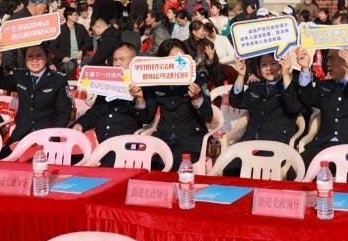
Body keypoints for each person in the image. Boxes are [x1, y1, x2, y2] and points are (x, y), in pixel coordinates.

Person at [295, 46, 348, 166]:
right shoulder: (325, 85)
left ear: (345, 59)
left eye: (331, 59)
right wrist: (305, 68)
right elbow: (306, 97)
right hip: (324, 147)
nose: (327, 64)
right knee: (295, 169)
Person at [132, 40, 213, 170]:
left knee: (173, 163)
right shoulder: (155, 81)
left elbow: (208, 115)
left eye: (181, 59)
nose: (177, 64)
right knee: (145, 164)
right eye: (171, 61)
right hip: (163, 138)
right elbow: (146, 118)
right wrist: (140, 98)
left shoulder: (197, 79)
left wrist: (197, 98)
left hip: (190, 140)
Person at [0, 44, 73, 144]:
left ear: (46, 57)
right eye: (30, 56)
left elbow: (64, 113)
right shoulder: (20, 76)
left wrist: (53, 134)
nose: (34, 60)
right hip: (21, 135)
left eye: (39, 55)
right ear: (25, 59)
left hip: (48, 137)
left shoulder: (58, 79)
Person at [73, 43, 148, 143]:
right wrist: (81, 124)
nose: (117, 64)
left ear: (134, 61)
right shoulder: (107, 84)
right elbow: (96, 111)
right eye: (115, 59)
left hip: (125, 144)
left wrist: (139, 99)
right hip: (100, 142)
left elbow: (146, 118)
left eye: (122, 59)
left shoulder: (144, 84)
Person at [229, 53, 302, 145]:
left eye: (273, 63)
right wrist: (240, 76)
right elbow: (236, 102)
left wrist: (286, 75)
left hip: (277, 144)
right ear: (259, 68)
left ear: (282, 64)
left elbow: (293, 107)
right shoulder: (255, 86)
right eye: (264, 65)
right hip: (249, 142)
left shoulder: (292, 87)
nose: (269, 68)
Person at [52, 7, 89, 76]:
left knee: (92, 60)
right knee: (70, 66)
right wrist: (62, 57)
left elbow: (88, 41)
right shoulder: (60, 29)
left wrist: (82, 50)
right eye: (75, 15)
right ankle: (68, 84)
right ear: (68, 16)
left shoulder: (81, 28)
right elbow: (53, 47)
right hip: (66, 59)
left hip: (79, 57)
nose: (77, 16)